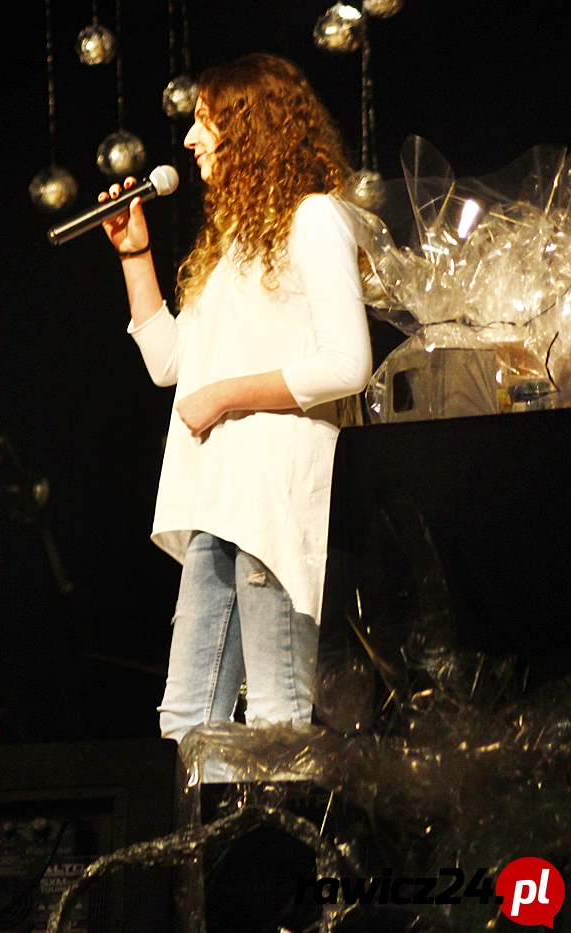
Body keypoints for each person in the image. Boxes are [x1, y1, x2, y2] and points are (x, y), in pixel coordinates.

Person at [100, 54, 371, 746]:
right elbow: (169, 364)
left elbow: (348, 363)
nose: (191, 139)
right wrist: (135, 254)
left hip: (271, 496)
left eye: (206, 121)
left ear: (251, 126)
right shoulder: (232, 246)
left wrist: (225, 396)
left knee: (276, 713)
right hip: (216, 501)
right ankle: (196, 824)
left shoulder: (314, 219)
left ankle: (280, 824)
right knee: (187, 719)